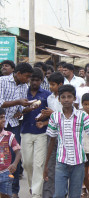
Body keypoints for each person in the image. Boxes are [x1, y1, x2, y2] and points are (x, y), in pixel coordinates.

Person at [44, 85, 89, 198]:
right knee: (59, 194)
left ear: (74, 98)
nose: (66, 100)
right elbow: (51, 141)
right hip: (61, 161)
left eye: (69, 97)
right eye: (63, 97)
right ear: (59, 99)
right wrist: (46, 165)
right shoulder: (55, 116)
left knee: (75, 195)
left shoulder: (82, 115)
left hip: (79, 162)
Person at [0, 62, 34, 197]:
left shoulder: (24, 86)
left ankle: (14, 191)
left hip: (13, 124)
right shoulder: (2, 81)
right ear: (18, 74)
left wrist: (27, 108)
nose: (28, 79)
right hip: (1, 123)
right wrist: (19, 102)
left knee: (15, 156)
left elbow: (20, 109)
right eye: (27, 76)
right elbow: (1, 102)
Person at [21, 68, 51, 198]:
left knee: (39, 163)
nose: (34, 82)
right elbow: (17, 112)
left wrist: (43, 120)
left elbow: (51, 113)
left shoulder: (46, 95)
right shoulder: (23, 93)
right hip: (26, 131)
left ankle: (36, 194)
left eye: (37, 80)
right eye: (32, 80)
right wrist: (26, 110)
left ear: (41, 81)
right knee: (27, 163)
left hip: (41, 132)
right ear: (29, 80)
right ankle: (31, 186)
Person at [41, 72, 64, 198]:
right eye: (50, 84)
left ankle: (61, 192)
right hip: (52, 133)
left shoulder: (66, 97)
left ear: (60, 84)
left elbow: (68, 115)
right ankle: (48, 194)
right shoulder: (50, 98)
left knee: (62, 165)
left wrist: (53, 112)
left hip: (65, 135)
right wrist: (44, 119)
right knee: (50, 163)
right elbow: (51, 118)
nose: (50, 87)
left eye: (53, 85)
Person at [0, 108, 21, 198]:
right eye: (1, 117)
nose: (4, 120)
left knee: (6, 196)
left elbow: (18, 153)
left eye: (4, 117)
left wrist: (15, 164)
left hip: (5, 173)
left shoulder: (9, 136)